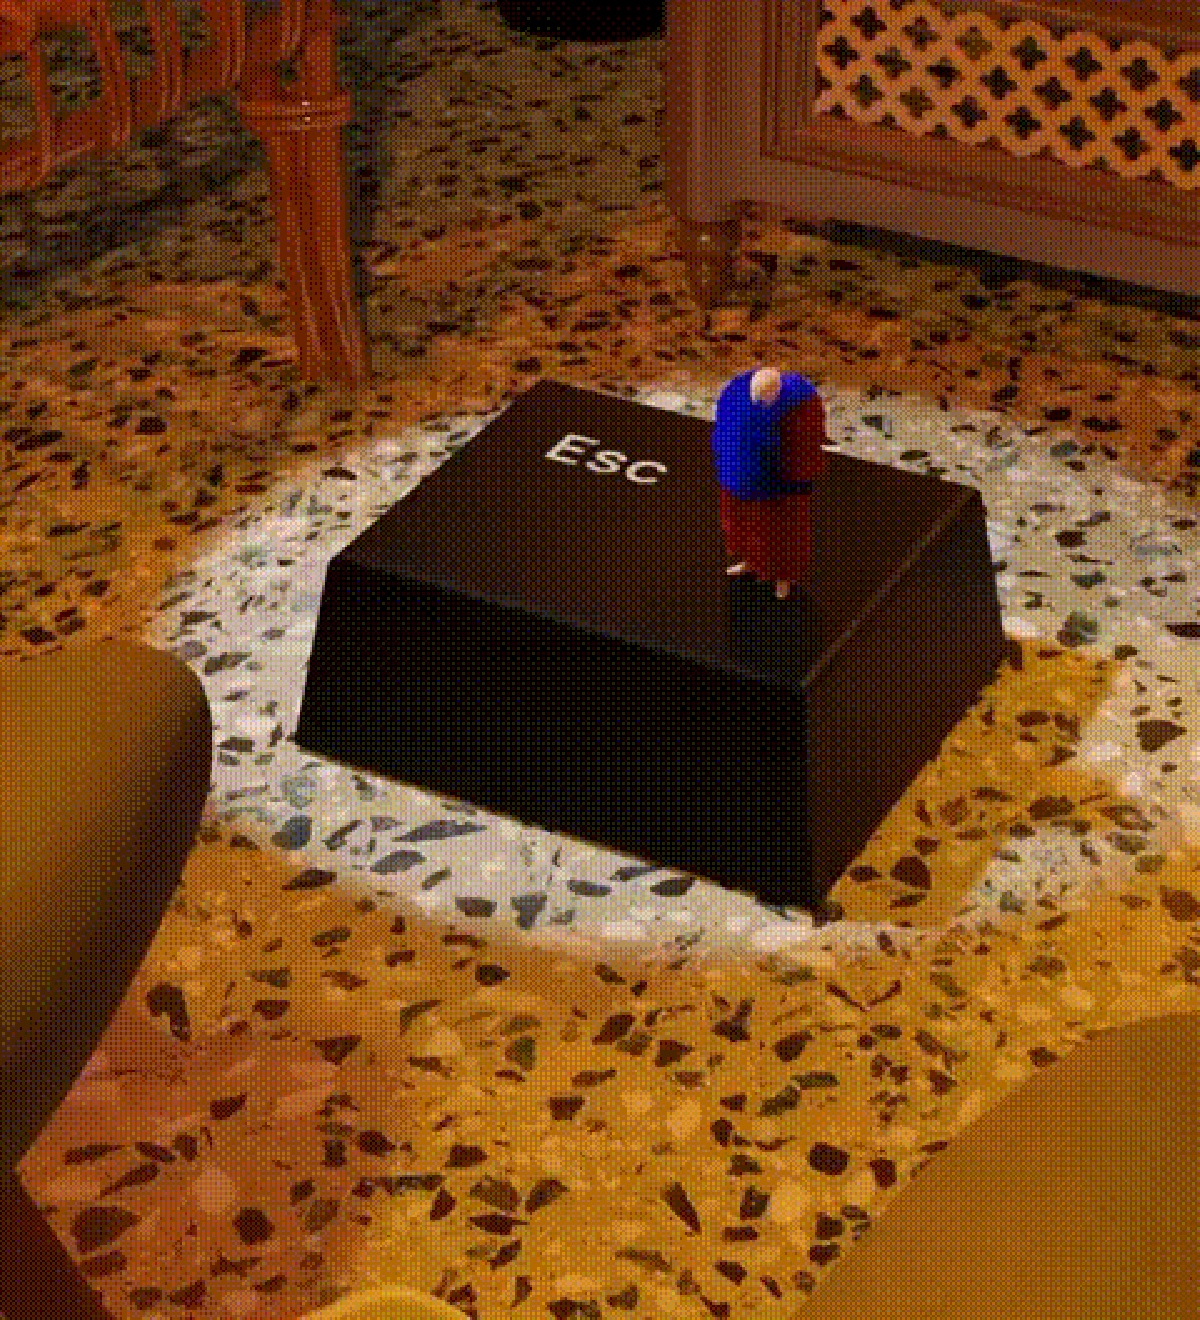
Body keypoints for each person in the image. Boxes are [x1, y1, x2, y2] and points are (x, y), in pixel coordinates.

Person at [711, 365, 828, 599]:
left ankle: (783, 577)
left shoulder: (801, 405)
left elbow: (805, 447)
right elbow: (724, 430)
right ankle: (751, 562)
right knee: (744, 528)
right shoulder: (736, 394)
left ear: (778, 389)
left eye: (765, 396)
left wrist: (795, 477)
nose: (760, 401)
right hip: (740, 480)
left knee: (780, 535)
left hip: (779, 488)